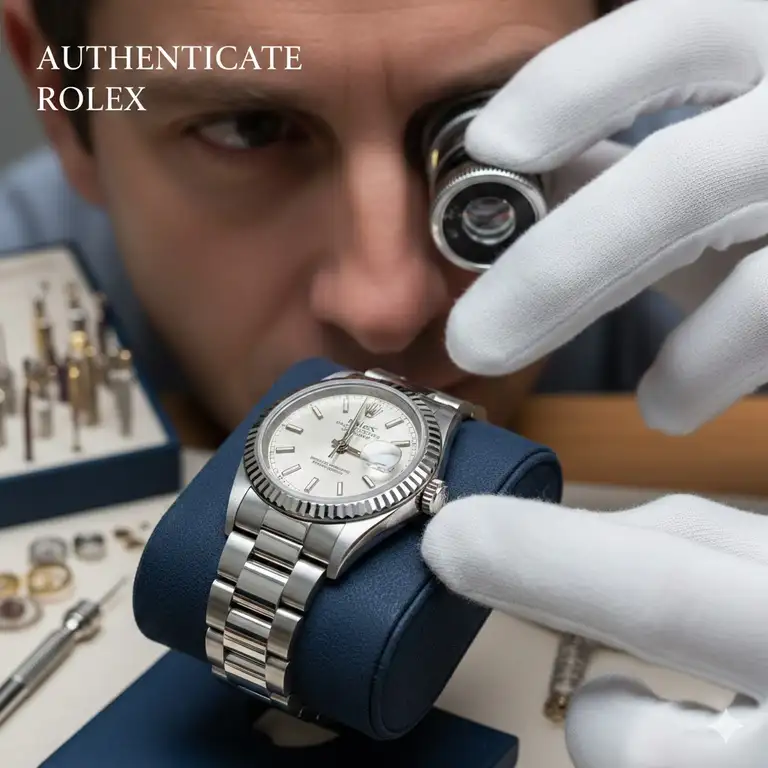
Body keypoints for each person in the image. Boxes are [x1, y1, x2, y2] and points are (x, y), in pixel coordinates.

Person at [1, 0, 767, 765]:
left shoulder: (740, 202)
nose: (386, 307)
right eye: (249, 129)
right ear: (63, 106)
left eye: (474, 135)